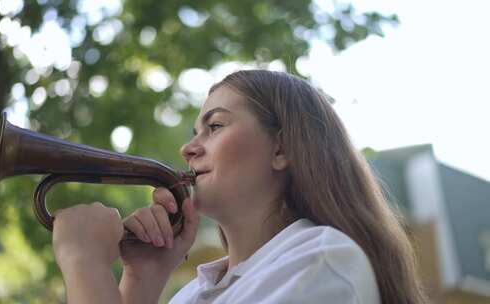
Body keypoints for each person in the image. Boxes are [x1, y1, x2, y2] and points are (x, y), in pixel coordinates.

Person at [52, 70, 428, 304]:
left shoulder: (321, 260)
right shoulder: (190, 295)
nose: (188, 148)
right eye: (194, 132)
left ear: (281, 147)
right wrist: (141, 282)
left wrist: (84, 263)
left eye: (214, 127)